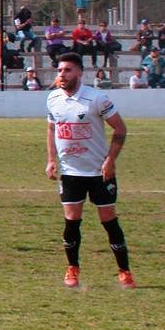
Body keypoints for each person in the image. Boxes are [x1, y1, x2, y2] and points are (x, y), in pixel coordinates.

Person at [46, 52, 135, 290]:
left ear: (79, 73)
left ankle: (124, 271)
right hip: (70, 173)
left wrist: (110, 160)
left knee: (109, 220)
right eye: (59, 70)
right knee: (71, 220)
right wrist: (51, 160)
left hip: (99, 172)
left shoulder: (96, 99)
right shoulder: (53, 99)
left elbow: (120, 129)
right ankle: (72, 268)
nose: (62, 75)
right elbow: (52, 129)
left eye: (67, 70)